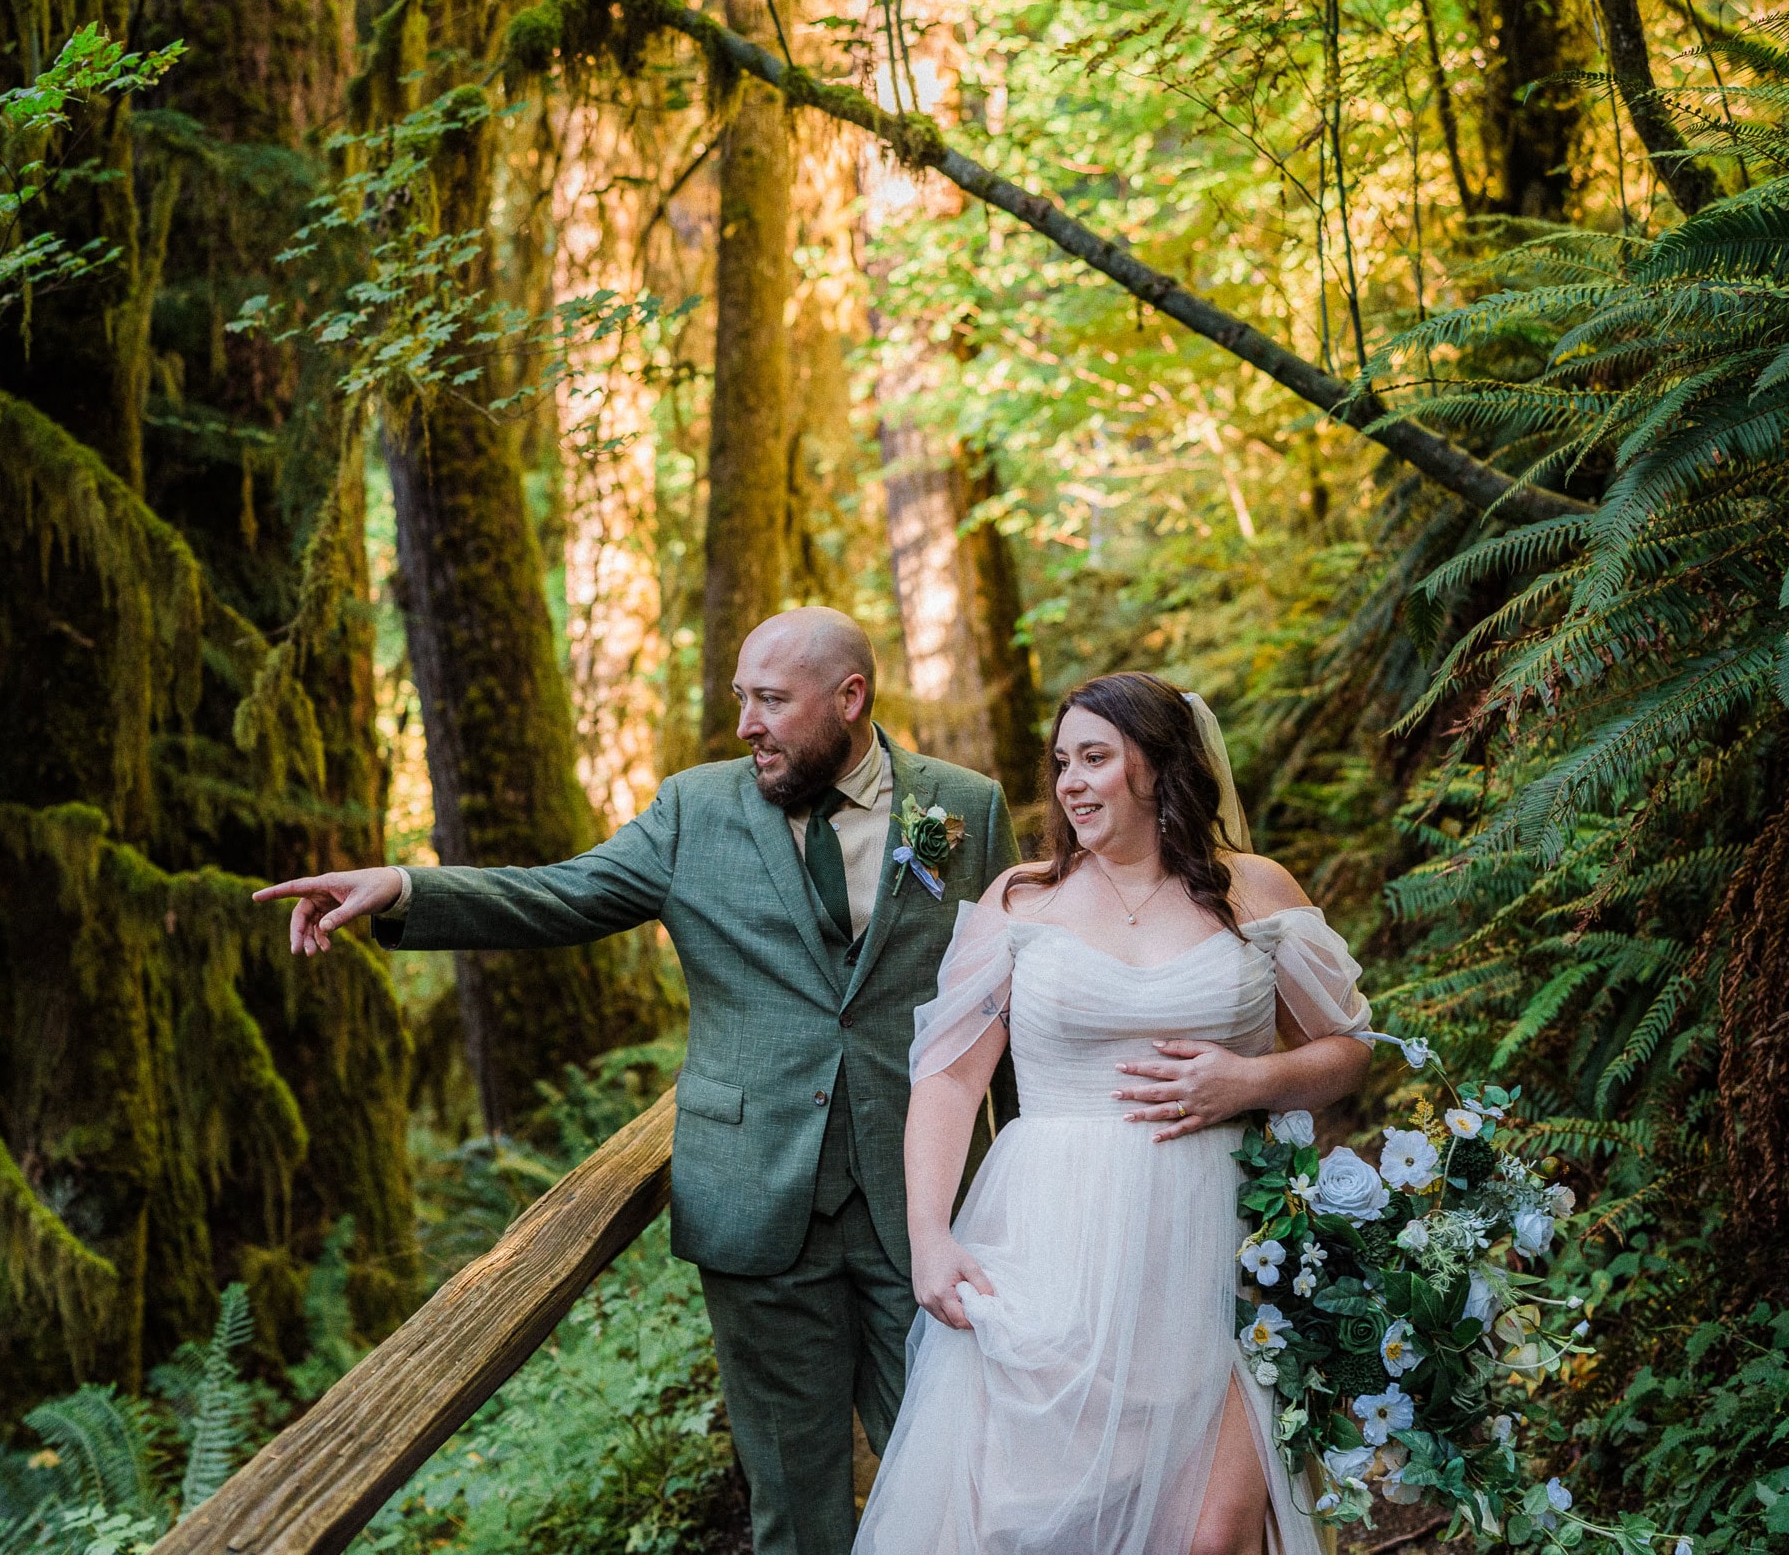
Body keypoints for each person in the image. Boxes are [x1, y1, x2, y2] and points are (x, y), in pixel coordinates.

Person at [252, 607, 1017, 1555]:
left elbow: (1010, 1000)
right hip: (756, 1204)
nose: (745, 724)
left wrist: (1031, 1176)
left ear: (850, 698)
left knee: (952, 1478)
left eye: (771, 701)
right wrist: (407, 889)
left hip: (929, 1206)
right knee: (792, 1502)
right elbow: (559, 894)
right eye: (741, 698)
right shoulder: (693, 811)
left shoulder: (965, 809)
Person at [853, 671, 1374, 1555]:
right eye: (1062, 763)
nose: (1071, 782)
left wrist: (1249, 1083)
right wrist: (929, 1236)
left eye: (1095, 758)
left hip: (1219, 1242)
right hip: (1047, 1240)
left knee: (1210, 1536)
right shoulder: (1022, 900)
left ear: (1160, 765)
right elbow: (947, 1080)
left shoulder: (1254, 890)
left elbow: (1349, 1050)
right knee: (1030, 1521)